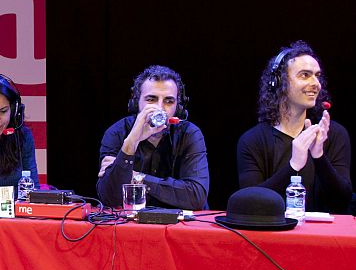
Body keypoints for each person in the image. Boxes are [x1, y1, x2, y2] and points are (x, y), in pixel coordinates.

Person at [237, 41, 351, 212]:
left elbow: (343, 200)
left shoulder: (334, 134)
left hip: (323, 236)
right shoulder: (252, 140)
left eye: (317, 76)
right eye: (305, 75)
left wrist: (319, 157)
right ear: (279, 82)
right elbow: (249, 204)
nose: (316, 83)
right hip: (271, 236)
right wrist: (294, 165)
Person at [97, 65, 209, 210]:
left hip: (181, 226)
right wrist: (131, 142)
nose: (160, 108)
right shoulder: (116, 133)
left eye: (169, 101)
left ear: (178, 107)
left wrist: (137, 177)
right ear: (136, 102)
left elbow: (196, 196)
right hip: (132, 226)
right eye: (151, 99)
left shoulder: (190, 134)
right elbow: (110, 198)